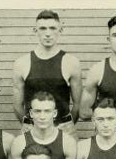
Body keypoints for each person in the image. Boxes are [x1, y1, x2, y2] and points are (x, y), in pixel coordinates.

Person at [13, 9, 82, 137]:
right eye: (43, 28)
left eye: (52, 28)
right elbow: (17, 105)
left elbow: (78, 104)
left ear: (60, 30)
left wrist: (66, 125)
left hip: (63, 130)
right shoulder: (21, 63)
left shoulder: (71, 62)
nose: (48, 33)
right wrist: (30, 125)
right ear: (35, 31)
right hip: (32, 131)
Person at [11, 91, 77, 159]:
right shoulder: (19, 143)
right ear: (31, 114)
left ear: (54, 113)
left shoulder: (68, 142)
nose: (42, 116)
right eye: (38, 111)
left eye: (47, 111)